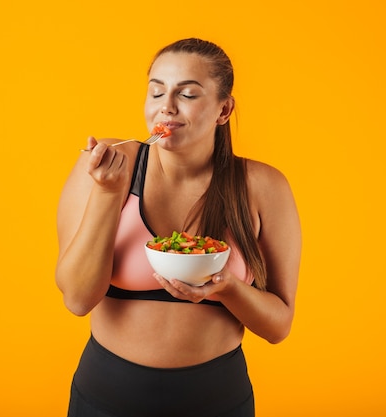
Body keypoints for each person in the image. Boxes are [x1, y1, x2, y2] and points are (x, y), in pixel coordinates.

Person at [55, 38, 301, 417]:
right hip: (105, 399)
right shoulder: (107, 163)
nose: (166, 106)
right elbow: (77, 298)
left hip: (218, 401)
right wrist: (108, 194)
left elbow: (278, 326)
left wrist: (227, 288)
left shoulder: (263, 186)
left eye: (186, 94)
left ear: (224, 109)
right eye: (156, 92)